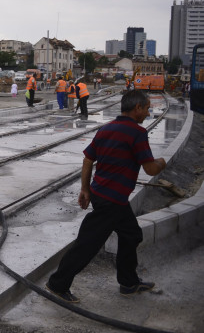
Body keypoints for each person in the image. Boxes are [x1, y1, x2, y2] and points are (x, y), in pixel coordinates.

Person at [46, 90, 166, 303]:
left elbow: (87, 160)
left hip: (107, 195)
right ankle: (57, 283)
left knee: (131, 235)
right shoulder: (137, 133)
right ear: (137, 108)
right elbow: (150, 169)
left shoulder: (106, 128)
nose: (148, 113)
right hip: (112, 200)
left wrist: (85, 189)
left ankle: (129, 283)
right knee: (88, 243)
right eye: (147, 108)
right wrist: (161, 163)